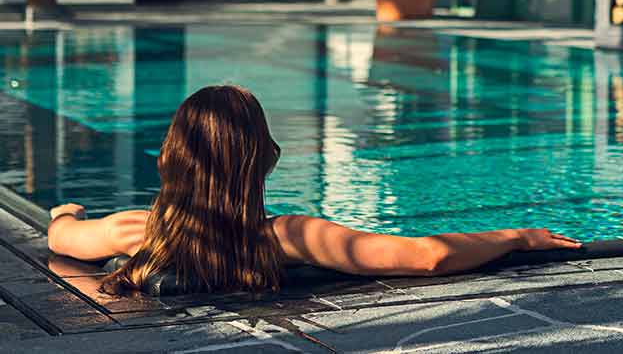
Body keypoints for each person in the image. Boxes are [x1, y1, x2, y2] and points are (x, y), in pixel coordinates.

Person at [47, 85, 582, 295]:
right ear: (260, 158)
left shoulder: (140, 230)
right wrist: (516, 235)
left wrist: (63, 214)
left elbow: (63, 240)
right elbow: (427, 257)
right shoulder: (287, 236)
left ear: (174, 158)